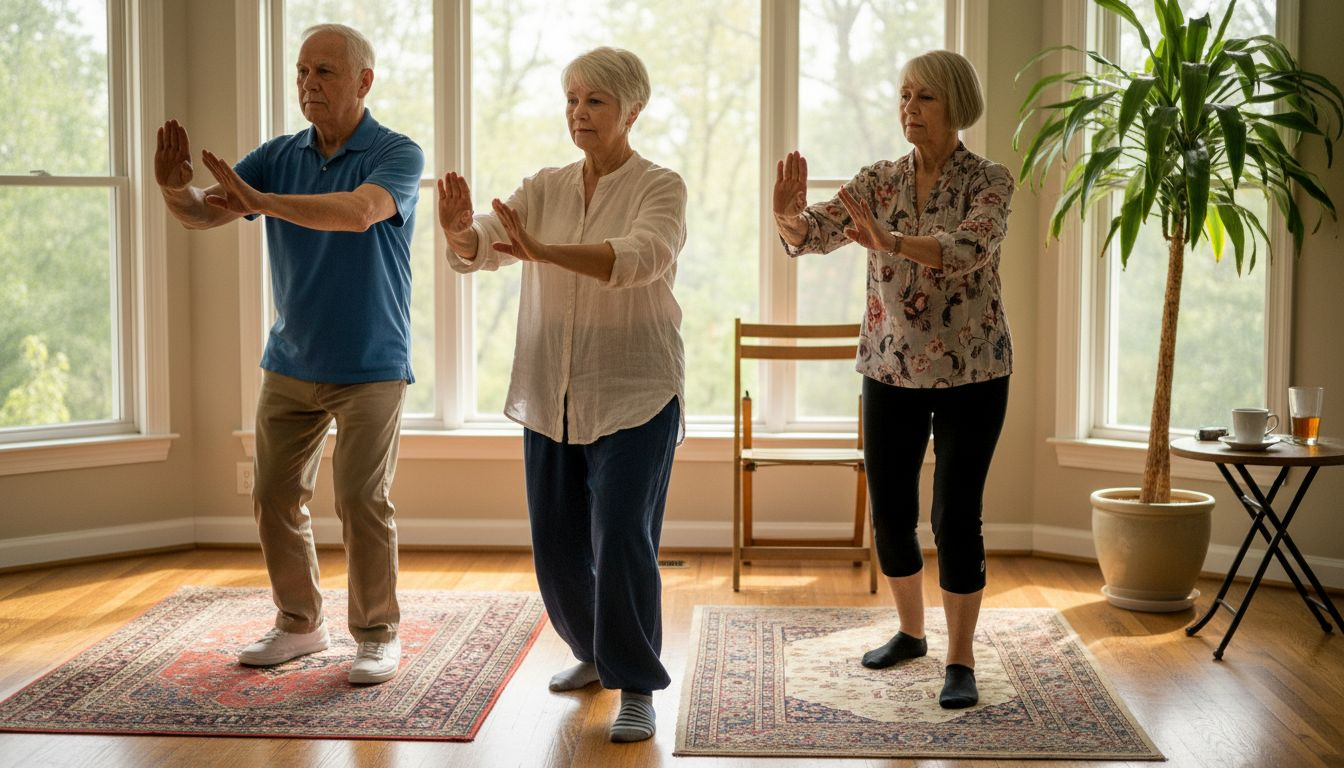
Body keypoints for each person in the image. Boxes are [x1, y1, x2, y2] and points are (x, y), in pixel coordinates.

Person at [155, 23, 423, 685]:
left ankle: (376, 636)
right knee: (274, 493)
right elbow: (205, 212)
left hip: (371, 363)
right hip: (291, 362)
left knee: (362, 500)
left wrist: (264, 202)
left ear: (363, 81)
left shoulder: (397, 153)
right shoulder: (279, 153)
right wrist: (172, 189)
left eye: (326, 72)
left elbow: (359, 212)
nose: (310, 84)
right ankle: (300, 623)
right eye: (303, 72)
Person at [436, 46, 685, 742]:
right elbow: (484, 243)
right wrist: (460, 230)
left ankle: (636, 682)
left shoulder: (660, 186)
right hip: (551, 392)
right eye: (573, 99)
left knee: (624, 537)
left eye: (595, 101)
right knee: (557, 544)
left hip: (637, 392)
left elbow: (641, 258)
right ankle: (594, 652)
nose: (579, 112)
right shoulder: (542, 185)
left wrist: (541, 252)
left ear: (631, 110)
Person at [773, 49, 1013, 709]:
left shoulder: (990, 180)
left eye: (925, 98)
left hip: (974, 371)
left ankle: (959, 659)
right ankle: (911, 632)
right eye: (905, 97)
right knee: (892, 512)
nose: (910, 109)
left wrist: (892, 241)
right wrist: (789, 217)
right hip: (890, 366)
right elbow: (817, 231)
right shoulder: (877, 180)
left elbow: (970, 248)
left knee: (956, 515)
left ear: (956, 104)